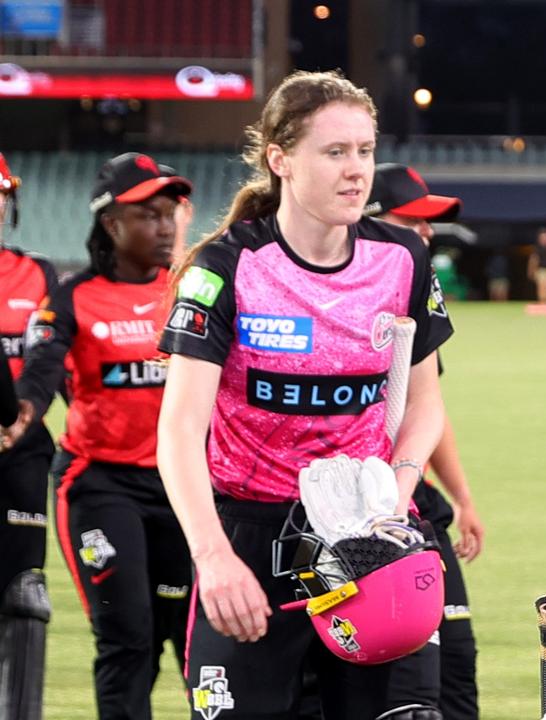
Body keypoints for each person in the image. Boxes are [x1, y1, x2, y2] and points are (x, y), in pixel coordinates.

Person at [155, 70, 452, 720]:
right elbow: (178, 430)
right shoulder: (226, 268)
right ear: (280, 159)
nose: (357, 171)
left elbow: (426, 405)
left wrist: (394, 499)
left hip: (365, 534)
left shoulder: (402, 258)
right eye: (336, 152)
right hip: (251, 538)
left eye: (366, 151)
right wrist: (214, 557)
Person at [4, 152, 194, 720]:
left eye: (170, 214)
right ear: (112, 224)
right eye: (148, 215)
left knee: (194, 642)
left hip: (186, 487)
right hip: (102, 486)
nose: (163, 227)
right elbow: (43, 366)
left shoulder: (191, 289)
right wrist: (23, 415)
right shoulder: (72, 295)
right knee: (128, 635)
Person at [361, 161, 485, 720]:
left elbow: (424, 409)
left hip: (413, 504)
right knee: (404, 693)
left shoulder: (410, 292)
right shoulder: (350, 297)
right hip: (357, 515)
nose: (428, 234)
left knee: (458, 663)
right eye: (414, 221)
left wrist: (461, 498)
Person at [0, 151, 58, 720]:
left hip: (20, 452)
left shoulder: (36, 273)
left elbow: (50, 361)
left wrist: (22, 421)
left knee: (24, 592)